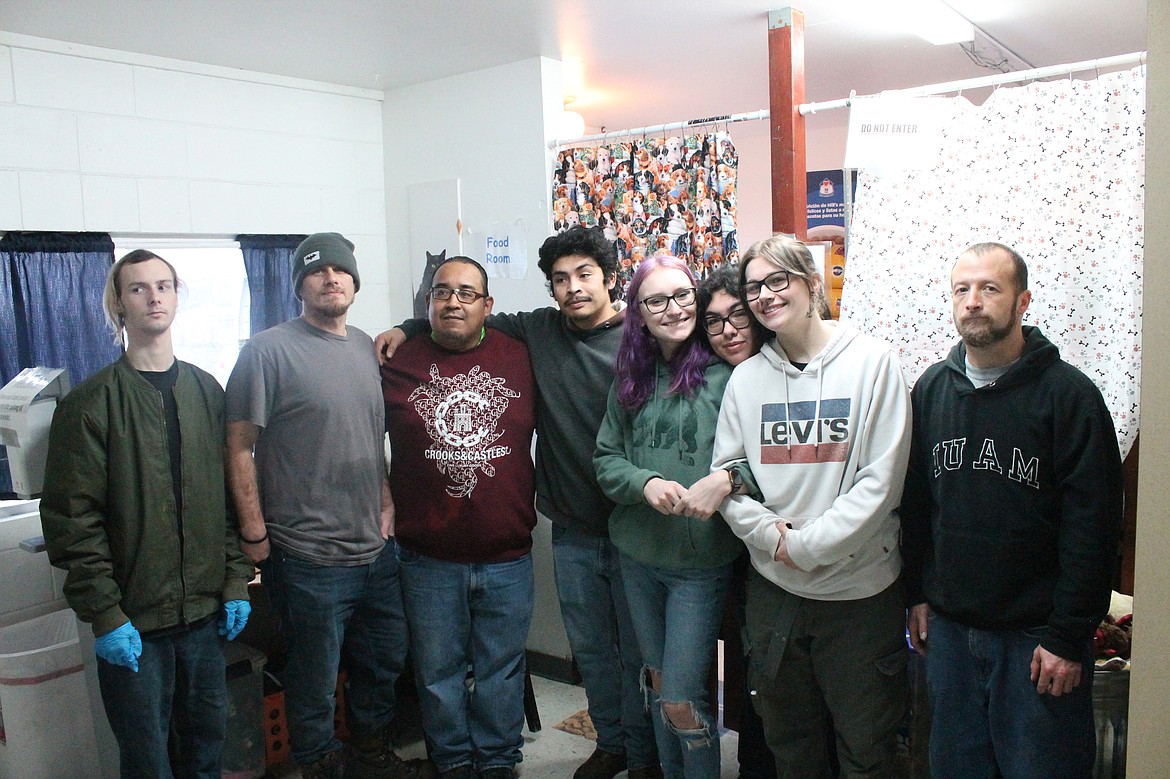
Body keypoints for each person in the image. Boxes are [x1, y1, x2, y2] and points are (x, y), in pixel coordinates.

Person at [378, 226, 659, 779]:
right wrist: (404, 325)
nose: (573, 288)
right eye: (560, 279)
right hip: (571, 530)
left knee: (641, 656)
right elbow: (456, 316)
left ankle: (644, 754)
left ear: (610, 279)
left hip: (637, 527)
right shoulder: (539, 331)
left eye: (584, 275)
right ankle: (609, 744)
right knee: (594, 655)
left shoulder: (645, 336)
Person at [900, 242, 1123, 778]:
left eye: (989, 288)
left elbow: (1093, 529)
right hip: (950, 636)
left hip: (1036, 642)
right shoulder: (932, 390)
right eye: (962, 290)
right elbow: (915, 505)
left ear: (1023, 302)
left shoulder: (1070, 398)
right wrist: (917, 594)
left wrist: (1068, 637)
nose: (973, 301)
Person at [40, 249, 253, 778]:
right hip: (135, 622)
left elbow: (225, 500)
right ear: (118, 303)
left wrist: (232, 581)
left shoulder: (207, 392)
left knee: (207, 748)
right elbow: (73, 522)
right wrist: (106, 616)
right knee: (147, 759)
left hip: (203, 619)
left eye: (164, 285)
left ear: (177, 297)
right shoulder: (91, 405)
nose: (154, 296)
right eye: (138, 288)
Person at [225, 233, 428, 779]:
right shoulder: (266, 351)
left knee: (383, 662)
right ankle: (315, 764)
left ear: (355, 282)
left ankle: (367, 754)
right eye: (316, 271)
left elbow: (369, 437)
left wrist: (385, 501)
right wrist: (253, 532)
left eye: (341, 270)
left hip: (376, 550)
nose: (330, 278)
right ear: (300, 285)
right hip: (306, 556)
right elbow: (238, 444)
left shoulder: (368, 348)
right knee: (314, 676)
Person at [711, 234, 912, 778]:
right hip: (774, 590)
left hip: (859, 592)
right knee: (790, 742)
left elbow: (882, 481)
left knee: (867, 747)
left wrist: (806, 546)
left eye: (779, 280)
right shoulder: (746, 381)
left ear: (811, 284)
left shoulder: (874, 364)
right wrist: (775, 541)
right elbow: (729, 478)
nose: (766, 296)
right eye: (755, 287)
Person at [381, 256, 537, 779]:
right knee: (437, 674)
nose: (453, 301)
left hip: (507, 555)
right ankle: (451, 762)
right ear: (427, 304)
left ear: (488, 306)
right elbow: (356, 439)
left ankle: (495, 763)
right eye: (442, 292)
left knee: (501, 670)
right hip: (427, 558)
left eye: (467, 293)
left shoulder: (522, 356)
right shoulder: (395, 363)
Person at [594, 255, 744, 779]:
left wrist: (725, 481)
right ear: (638, 312)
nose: (673, 309)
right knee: (657, 682)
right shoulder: (631, 377)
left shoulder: (730, 375)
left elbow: (757, 462)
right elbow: (605, 460)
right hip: (637, 556)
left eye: (682, 295)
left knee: (681, 698)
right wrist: (646, 483)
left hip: (699, 564)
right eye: (656, 300)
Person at [694, 267, 775, 779]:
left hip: (782, 546)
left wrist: (729, 478)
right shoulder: (706, 382)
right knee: (738, 675)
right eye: (713, 322)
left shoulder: (784, 371)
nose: (728, 330)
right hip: (719, 550)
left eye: (737, 316)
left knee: (771, 676)